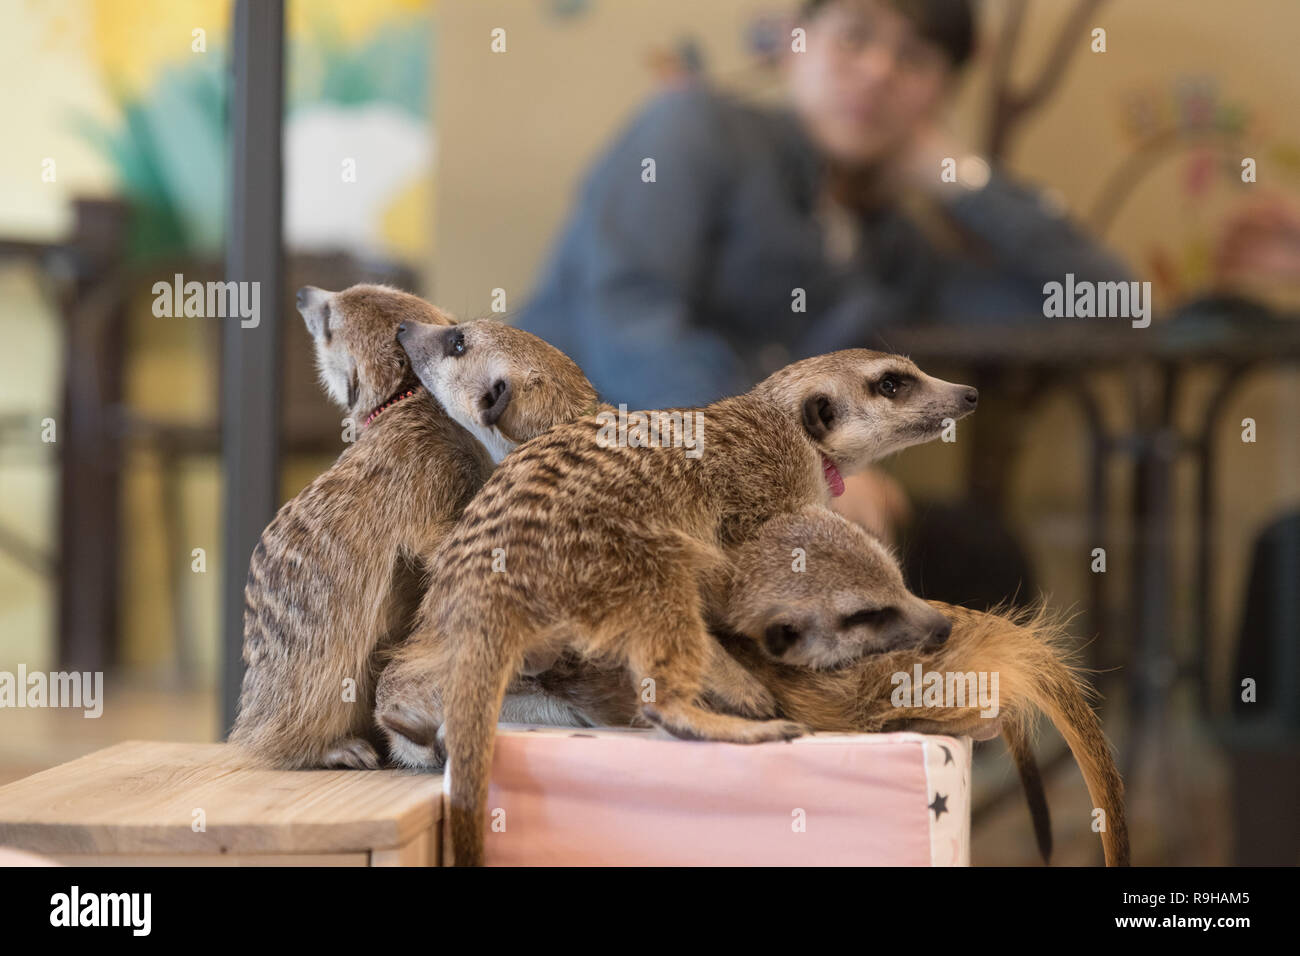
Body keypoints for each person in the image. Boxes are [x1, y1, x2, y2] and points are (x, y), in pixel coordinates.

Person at [519, 0, 1131, 545]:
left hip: (757, 515)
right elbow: (631, 314)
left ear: (941, 95)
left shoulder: (894, 247)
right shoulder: (693, 127)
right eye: (854, 36)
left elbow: (1110, 303)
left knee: (981, 552)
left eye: (914, 59)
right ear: (795, 40)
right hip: (573, 482)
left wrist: (961, 176)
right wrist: (792, 463)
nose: (878, 72)